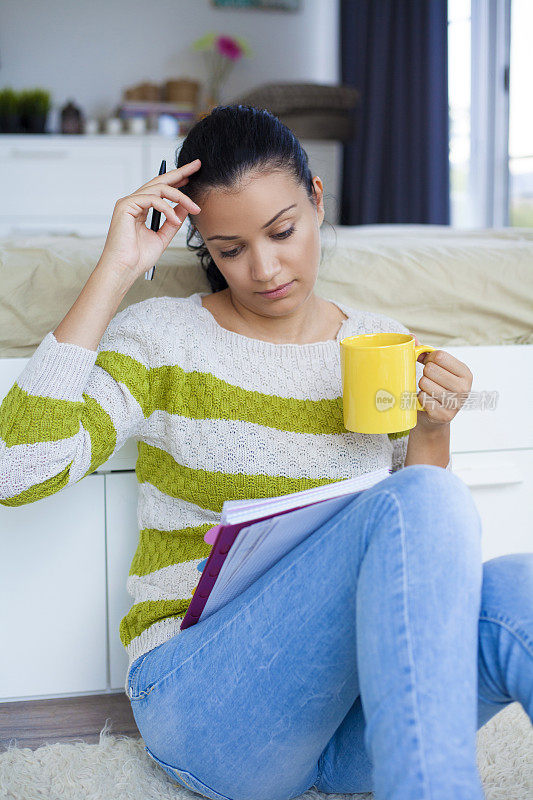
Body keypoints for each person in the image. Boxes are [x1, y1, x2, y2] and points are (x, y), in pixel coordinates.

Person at [0, 104, 531, 800]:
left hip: (344, 724)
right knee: (420, 504)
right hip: (208, 704)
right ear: (202, 245)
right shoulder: (162, 339)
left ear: (315, 199)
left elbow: (415, 552)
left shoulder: (378, 342)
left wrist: (432, 429)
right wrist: (116, 269)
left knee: (517, 591)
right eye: (228, 249)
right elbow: (16, 470)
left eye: (281, 232)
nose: (264, 268)